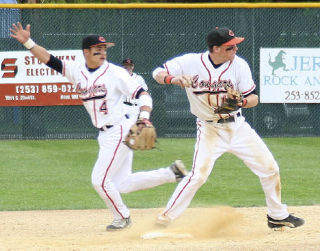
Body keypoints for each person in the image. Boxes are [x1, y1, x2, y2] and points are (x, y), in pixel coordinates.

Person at [10, 22, 188, 231]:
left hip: (120, 129)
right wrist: (28, 42)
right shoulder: (76, 71)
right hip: (105, 134)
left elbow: (142, 94)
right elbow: (49, 59)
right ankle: (172, 173)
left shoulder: (115, 73)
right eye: (98, 49)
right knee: (121, 184)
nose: (102, 53)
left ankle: (123, 217)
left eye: (104, 49)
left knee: (100, 180)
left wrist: (145, 117)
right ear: (86, 52)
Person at [152, 27, 304, 229]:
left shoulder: (239, 65)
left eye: (235, 46)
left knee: (270, 169)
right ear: (215, 48)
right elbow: (157, 73)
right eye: (230, 47)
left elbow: (254, 98)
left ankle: (277, 216)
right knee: (198, 176)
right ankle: (164, 219)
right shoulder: (190, 62)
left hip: (237, 127)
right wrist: (174, 78)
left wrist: (240, 101)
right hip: (209, 130)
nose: (235, 50)